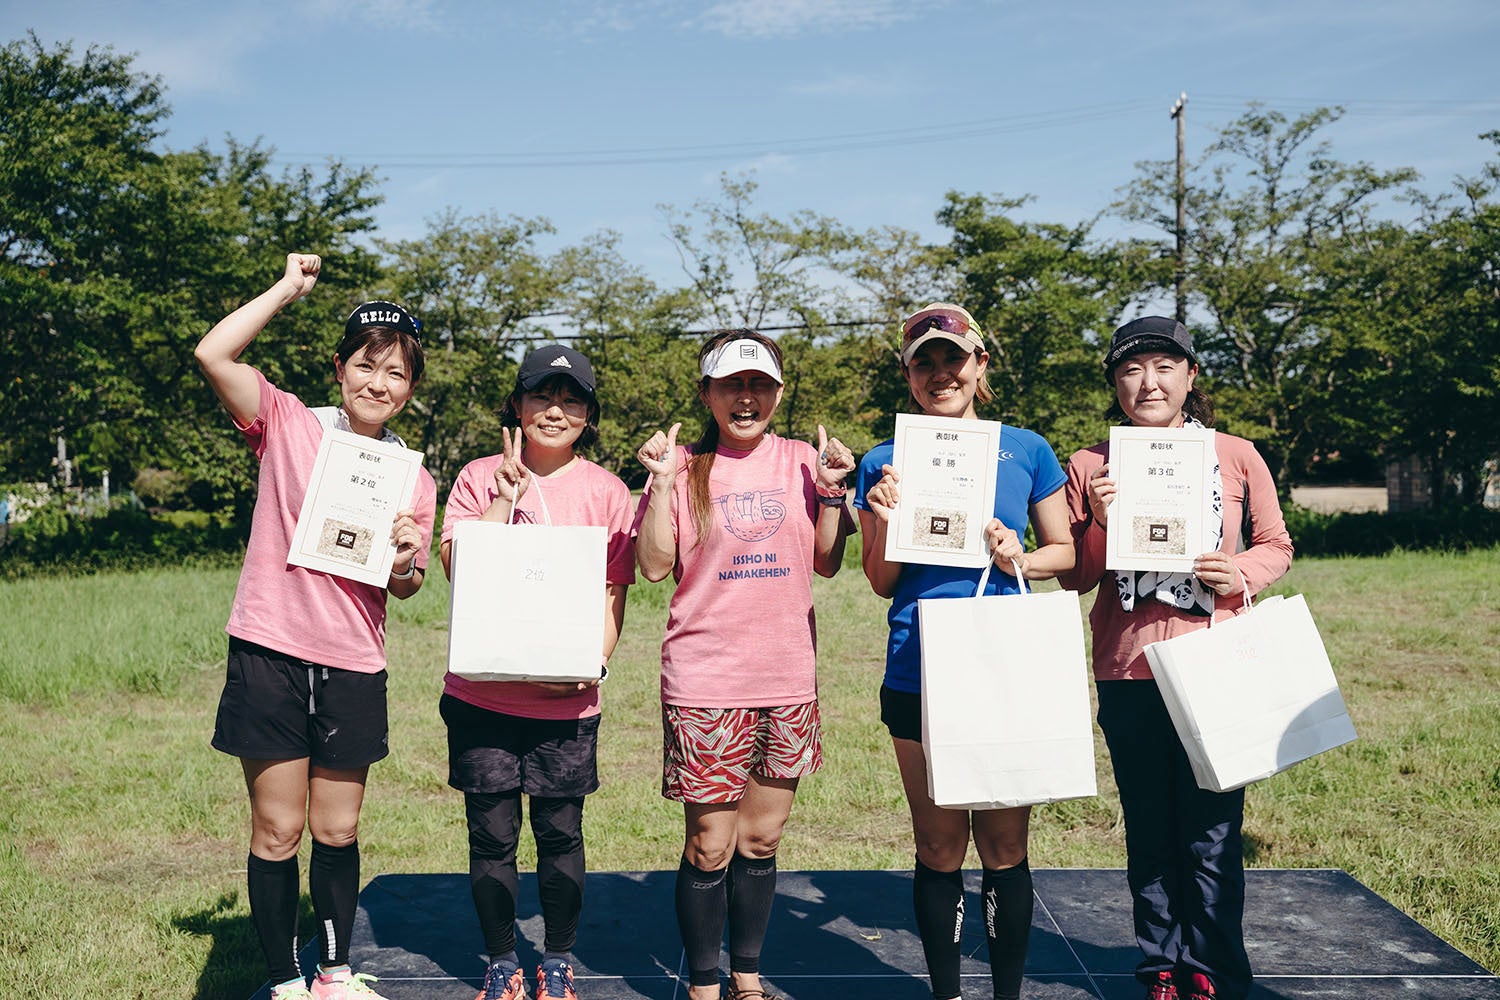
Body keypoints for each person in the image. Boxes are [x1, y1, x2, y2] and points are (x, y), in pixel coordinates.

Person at [195, 253, 436, 1000]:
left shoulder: (415, 478)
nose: (379, 384)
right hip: (269, 651)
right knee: (277, 832)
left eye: (396, 374)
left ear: (411, 388)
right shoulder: (289, 423)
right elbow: (213, 352)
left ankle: (333, 973)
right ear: (340, 368)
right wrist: (287, 289)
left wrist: (405, 554)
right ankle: (282, 981)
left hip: (353, 662)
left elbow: (409, 585)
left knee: (336, 831)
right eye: (367, 365)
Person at [1058, 316, 1293, 1000]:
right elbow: (1074, 576)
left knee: (1213, 832)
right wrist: (1100, 523)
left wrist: (1239, 570)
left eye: (1164, 367)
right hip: (1126, 670)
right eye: (1132, 369)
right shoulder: (1090, 464)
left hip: (1215, 666)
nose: (1148, 382)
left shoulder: (1236, 454)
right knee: (1150, 830)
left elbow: (1277, 544)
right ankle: (1160, 964)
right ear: (1115, 384)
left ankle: (1214, 970)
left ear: (1191, 377)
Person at [853, 303, 1074, 1000]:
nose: (941, 373)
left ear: (980, 365)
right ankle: (946, 992)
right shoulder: (883, 460)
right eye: (925, 361)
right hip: (918, 666)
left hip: (1003, 664)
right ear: (907, 373)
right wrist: (883, 520)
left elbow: (1064, 554)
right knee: (940, 846)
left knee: (1006, 847)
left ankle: (1005, 993)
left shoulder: (1028, 448)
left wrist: (1022, 556)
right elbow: (882, 580)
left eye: (955, 358)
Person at [633, 329, 856, 1000]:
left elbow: (827, 559)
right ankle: (704, 981)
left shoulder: (800, 461)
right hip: (706, 681)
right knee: (709, 845)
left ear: (779, 393)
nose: (746, 397)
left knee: (760, 842)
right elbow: (651, 567)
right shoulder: (685, 466)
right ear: (707, 394)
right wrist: (663, 482)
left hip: (786, 677)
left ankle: (747, 975)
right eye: (731, 385)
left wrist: (834, 493)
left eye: (759, 384)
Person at [438, 345, 635, 1000]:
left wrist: (593, 664)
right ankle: (500, 963)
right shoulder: (476, 477)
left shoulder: (608, 492)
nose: (555, 410)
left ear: (588, 413)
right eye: (541, 397)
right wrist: (502, 499)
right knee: (491, 837)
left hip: (566, 704)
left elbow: (614, 594)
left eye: (571, 399)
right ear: (517, 407)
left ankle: (557, 960)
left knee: (560, 834)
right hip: (481, 698)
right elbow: (459, 572)